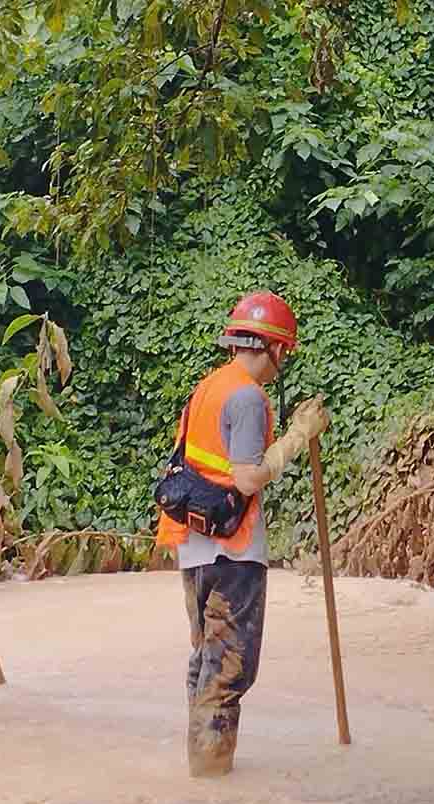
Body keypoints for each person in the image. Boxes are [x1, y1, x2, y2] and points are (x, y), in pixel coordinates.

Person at [156, 290, 330, 777]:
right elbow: (248, 477)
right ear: (272, 346)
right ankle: (211, 777)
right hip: (232, 550)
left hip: (192, 546)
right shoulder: (249, 397)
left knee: (205, 658)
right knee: (229, 667)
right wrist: (299, 436)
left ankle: (200, 779)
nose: (282, 364)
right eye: (283, 353)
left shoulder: (208, 387)